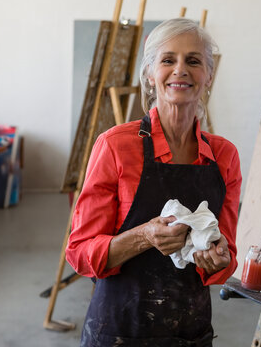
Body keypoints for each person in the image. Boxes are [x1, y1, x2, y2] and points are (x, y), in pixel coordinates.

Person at [65, 18, 242, 347]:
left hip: (190, 331)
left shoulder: (224, 156)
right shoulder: (115, 145)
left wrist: (219, 260)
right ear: (150, 74)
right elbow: (80, 253)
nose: (180, 70)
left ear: (209, 74)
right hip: (120, 330)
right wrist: (144, 236)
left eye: (193, 60)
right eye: (167, 60)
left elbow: (226, 256)